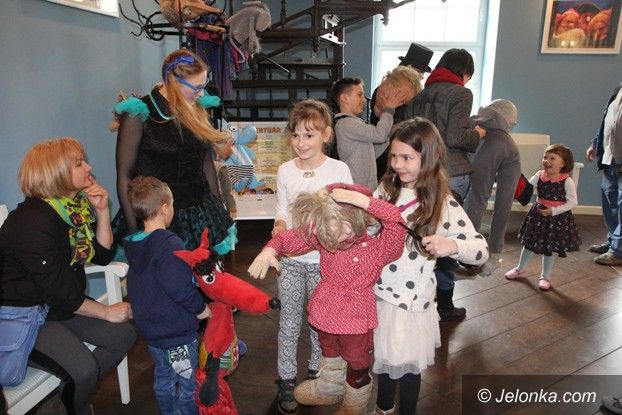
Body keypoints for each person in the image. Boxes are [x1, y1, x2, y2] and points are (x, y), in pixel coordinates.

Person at [0, 137, 136, 415]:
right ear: (56, 173)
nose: (88, 167)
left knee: (122, 336)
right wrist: (105, 311)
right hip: (27, 316)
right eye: (78, 163)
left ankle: (64, 400)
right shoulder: (32, 220)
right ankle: (75, 404)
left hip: (58, 307)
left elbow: (102, 255)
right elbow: (59, 292)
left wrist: (102, 212)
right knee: (83, 370)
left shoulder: (71, 210)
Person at [248, 184, 407, 415]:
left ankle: (353, 407)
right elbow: (289, 238)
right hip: (326, 307)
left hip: (355, 316)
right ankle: (330, 387)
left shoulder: (380, 247)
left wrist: (364, 202)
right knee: (329, 348)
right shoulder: (324, 234)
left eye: (329, 230)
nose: (323, 237)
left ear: (349, 224)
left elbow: (396, 221)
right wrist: (269, 251)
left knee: (357, 362)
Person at [373, 118, 488, 415]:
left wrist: (452, 246)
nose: (398, 164)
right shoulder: (385, 188)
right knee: (384, 362)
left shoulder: (443, 203)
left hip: (411, 304)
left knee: (408, 368)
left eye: (407, 158)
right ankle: (383, 409)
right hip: (380, 295)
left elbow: (480, 251)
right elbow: (370, 228)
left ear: (429, 157)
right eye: (394, 156)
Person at [270, 99, 353, 414]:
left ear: (326, 135)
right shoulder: (285, 170)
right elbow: (282, 208)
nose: (300, 142)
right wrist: (279, 225)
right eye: (295, 135)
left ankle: (317, 373)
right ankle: (286, 379)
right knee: (289, 323)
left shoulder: (338, 170)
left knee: (320, 322)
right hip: (290, 260)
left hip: (325, 262)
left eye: (309, 135)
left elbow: (346, 212)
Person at [114, 48, 236, 254]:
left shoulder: (197, 108)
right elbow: (124, 176)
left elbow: (205, 162)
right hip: (156, 216)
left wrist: (219, 208)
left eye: (204, 85)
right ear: (173, 82)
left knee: (203, 272)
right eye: (196, 87)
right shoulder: (140, 114)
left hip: (199, 214)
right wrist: (136, 230)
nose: (201, 93)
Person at [406, 48, 487, 322]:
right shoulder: (461, 94)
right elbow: (455, 137)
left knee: (421, 236)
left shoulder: (420, 94)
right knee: (447, 239)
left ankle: (419, 298)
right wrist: (477, 134)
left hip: (420, 173)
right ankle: (445, 304)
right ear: (464, 72)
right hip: (451, 172)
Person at [123, 176, 212, 415]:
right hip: (176, 333)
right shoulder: (169, 244)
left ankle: (168, 411)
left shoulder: (135, 245)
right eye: (172, 204)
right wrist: (201, 308)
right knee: (188, 381)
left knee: (163, 376)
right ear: (164, 208)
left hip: (152, 332)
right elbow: (179, 287)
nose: (173, 208)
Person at [504, 144, 581, 291]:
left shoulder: (567, 181)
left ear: (563, 163)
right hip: (537, 216)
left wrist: (554, 211)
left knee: (548, 248)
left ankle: (545, 277)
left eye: (552, 158)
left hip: (555, 219)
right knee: (528, 244)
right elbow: (527, 188)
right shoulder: (540, 175)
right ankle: (520, 269)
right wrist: (516, 181)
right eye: (545, 157)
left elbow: (573, 202)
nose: (547, 161)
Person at [463, 99, 521, 276]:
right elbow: (504, 203)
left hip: (466, 171)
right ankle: (490, 253)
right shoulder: (508, 144)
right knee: (499, 203)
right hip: (507, 153)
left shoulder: (471, 124)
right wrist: (496, 248)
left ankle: (464, 251)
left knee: (475, 200)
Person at [331, 74, 411, 190]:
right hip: (357, 189)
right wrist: (389, 109)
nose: (364, 99)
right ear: (344, 98)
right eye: (359, 95)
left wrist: (392, 132)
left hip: (365, 187)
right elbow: (379, 135)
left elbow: (371, 153)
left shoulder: (353, 123)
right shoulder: (346, 123)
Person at [370, 42, 433, 180]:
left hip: (382, 147)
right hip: (391, 147)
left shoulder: (383, 88)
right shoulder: (403, 93)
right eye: (420, 72)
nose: (422, 76)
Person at [585, 82, 622, 265]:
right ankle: (613, 242)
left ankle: (618, 251)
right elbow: (608, 120)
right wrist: (595, 143)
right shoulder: (618, 89)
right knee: (610, 204)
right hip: (610, 158)